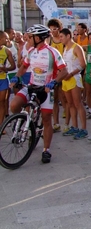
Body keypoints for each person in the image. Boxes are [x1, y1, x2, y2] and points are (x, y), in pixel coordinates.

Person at [9, 25, 67, 163]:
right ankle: (21, 121)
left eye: (31, 37)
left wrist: (54, 82)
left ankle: (46, 150)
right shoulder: (31, 51)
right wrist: (16, 77)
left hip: (46, 90)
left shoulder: (52, 52)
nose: (28, 39)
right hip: (31, 86)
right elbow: (23, 67)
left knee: (47, 119)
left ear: (38, 38)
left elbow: (64, 71)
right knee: (14, 104)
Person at [59, 29, 87, 140]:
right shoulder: (65, 49)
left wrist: (71, 74)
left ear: (68, 36)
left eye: (62, 36)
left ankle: (84, 129)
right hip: (65, 80)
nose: (60, 38)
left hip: (74, 78)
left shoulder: (77, 47)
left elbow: (83, 64)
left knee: (78, 103)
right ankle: (74, 126)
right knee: (69, 104)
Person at [47, 19, 67, 132]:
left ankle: (68, 120)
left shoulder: (62, 39)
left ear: (59, 29)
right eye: (50, 29)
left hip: (63, 71)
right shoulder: (49, 40)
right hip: (53, 73)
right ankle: (56, 123)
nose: (52, 31)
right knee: (54, 99)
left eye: (54, 29)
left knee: (64, 97)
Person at [0, 31, 16, 123]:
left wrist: (5, 69)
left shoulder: (7, 51)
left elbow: (13, 66)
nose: (7, 39)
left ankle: (1, 125)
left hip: (3, 79)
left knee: (2, 102)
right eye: (5, 38)